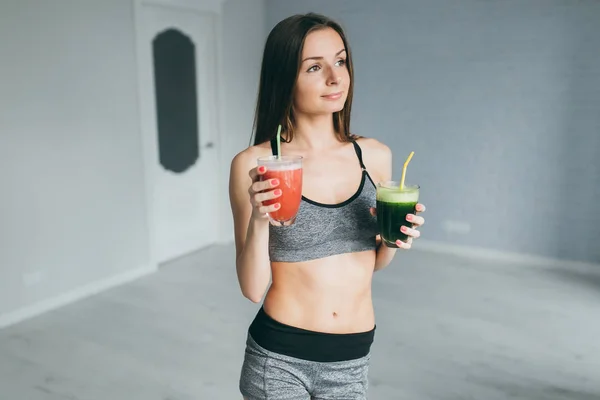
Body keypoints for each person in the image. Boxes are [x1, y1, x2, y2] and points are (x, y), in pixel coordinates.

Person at [228, 12, 426, 400]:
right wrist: (259, 218)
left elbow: (373, 262)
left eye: (340, 61)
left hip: (352, 358)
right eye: (315, 67)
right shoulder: (255, 164)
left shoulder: (375, 155)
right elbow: (252, 289)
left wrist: (394, 240)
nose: (336, 78)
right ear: (286, 78)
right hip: (280, 359)